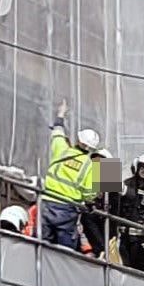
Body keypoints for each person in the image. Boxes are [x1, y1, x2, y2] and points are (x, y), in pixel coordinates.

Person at [39, 101, 102, 253]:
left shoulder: (62, 150)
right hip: (67, 208)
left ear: (78, 140)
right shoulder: (91, 165)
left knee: (42, 243)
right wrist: (91, 202)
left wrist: (61, 114)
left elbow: (57, 131)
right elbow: (90, 193)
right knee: (66, 247)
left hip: (48, 201)